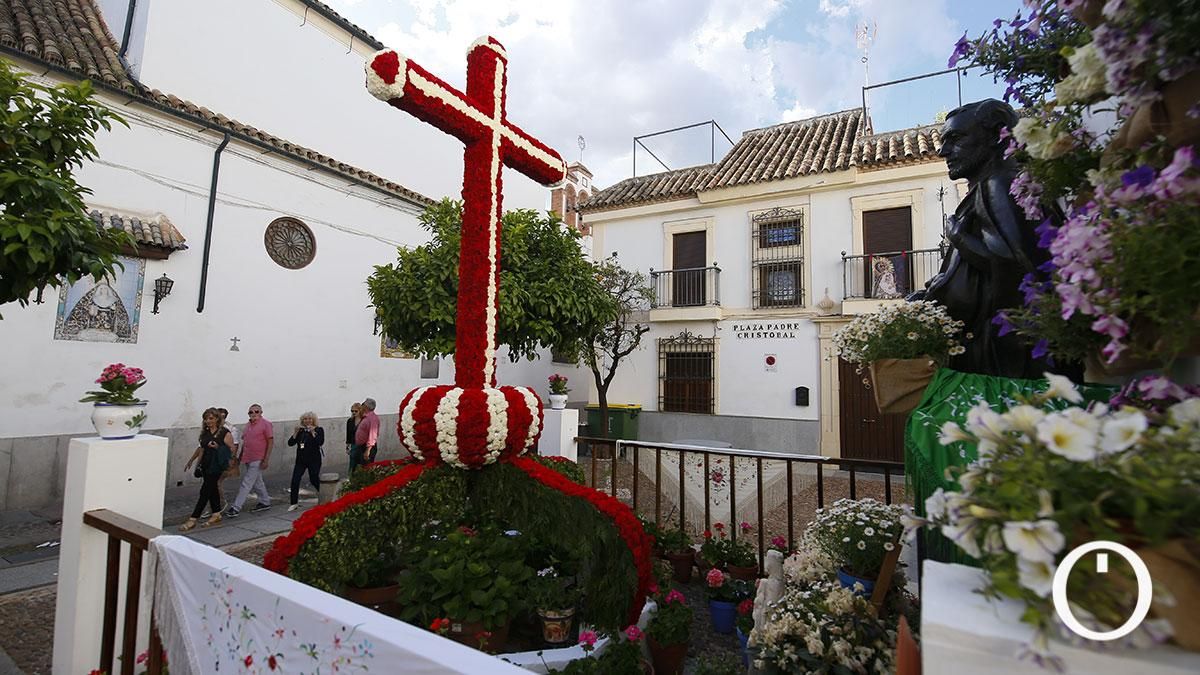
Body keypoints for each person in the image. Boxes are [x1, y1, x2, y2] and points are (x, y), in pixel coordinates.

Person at [910, 99, 1057, 379]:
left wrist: (959, 238)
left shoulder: (999, 184)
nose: (943, 151)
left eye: (956, 138)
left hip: (1000, 359)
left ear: (996, 135)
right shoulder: (999, 185)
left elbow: (1016, 266)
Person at [181, 408, 233, 531]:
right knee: (212, 489)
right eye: (206, 419)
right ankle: (216, 514)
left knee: (204, 491)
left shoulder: (224, 432)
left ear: (217, 419)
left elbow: (231, 450)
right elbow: (201, 449)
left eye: (211, 418)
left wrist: (218, 447)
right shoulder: (205, 433)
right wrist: (193, 461)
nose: (208, 421)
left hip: (216, 466)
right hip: (206, 465)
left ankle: (193, 518)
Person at [226, 403, 273, 517]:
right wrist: (240, 457)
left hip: (258, 457)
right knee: (257, 482)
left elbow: (270, 442)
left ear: (261, 412)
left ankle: (236, 507)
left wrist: (266, 459)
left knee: (246, 483)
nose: (254, 413)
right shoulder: (248, 425)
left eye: (256, 411)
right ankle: (265, 501)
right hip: (248, 457)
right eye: (251, 412)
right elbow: (245, 443)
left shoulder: (266, 424)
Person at [287, 412, 324, 512]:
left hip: (314, 460)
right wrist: (295, 433)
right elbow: (290, 443)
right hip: (301, 460)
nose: (307, 421)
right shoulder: (301, 431)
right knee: (295, 480)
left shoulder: (319, 430)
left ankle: (324, 494)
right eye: (305, 419)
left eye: (310, 419)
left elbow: (320, 442)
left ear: (313, 420)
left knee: (314, 478)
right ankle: (294, 503)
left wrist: (313, 433)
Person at [351, 397, 381, 472]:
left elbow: (373, 435)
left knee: (367, 468)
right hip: (362, 446)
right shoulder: (366, 417)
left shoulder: (372, 418)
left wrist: (368, 450)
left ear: (366, 406)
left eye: (363, 404)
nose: (362, 405)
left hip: (367, 447)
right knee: (361, 466)